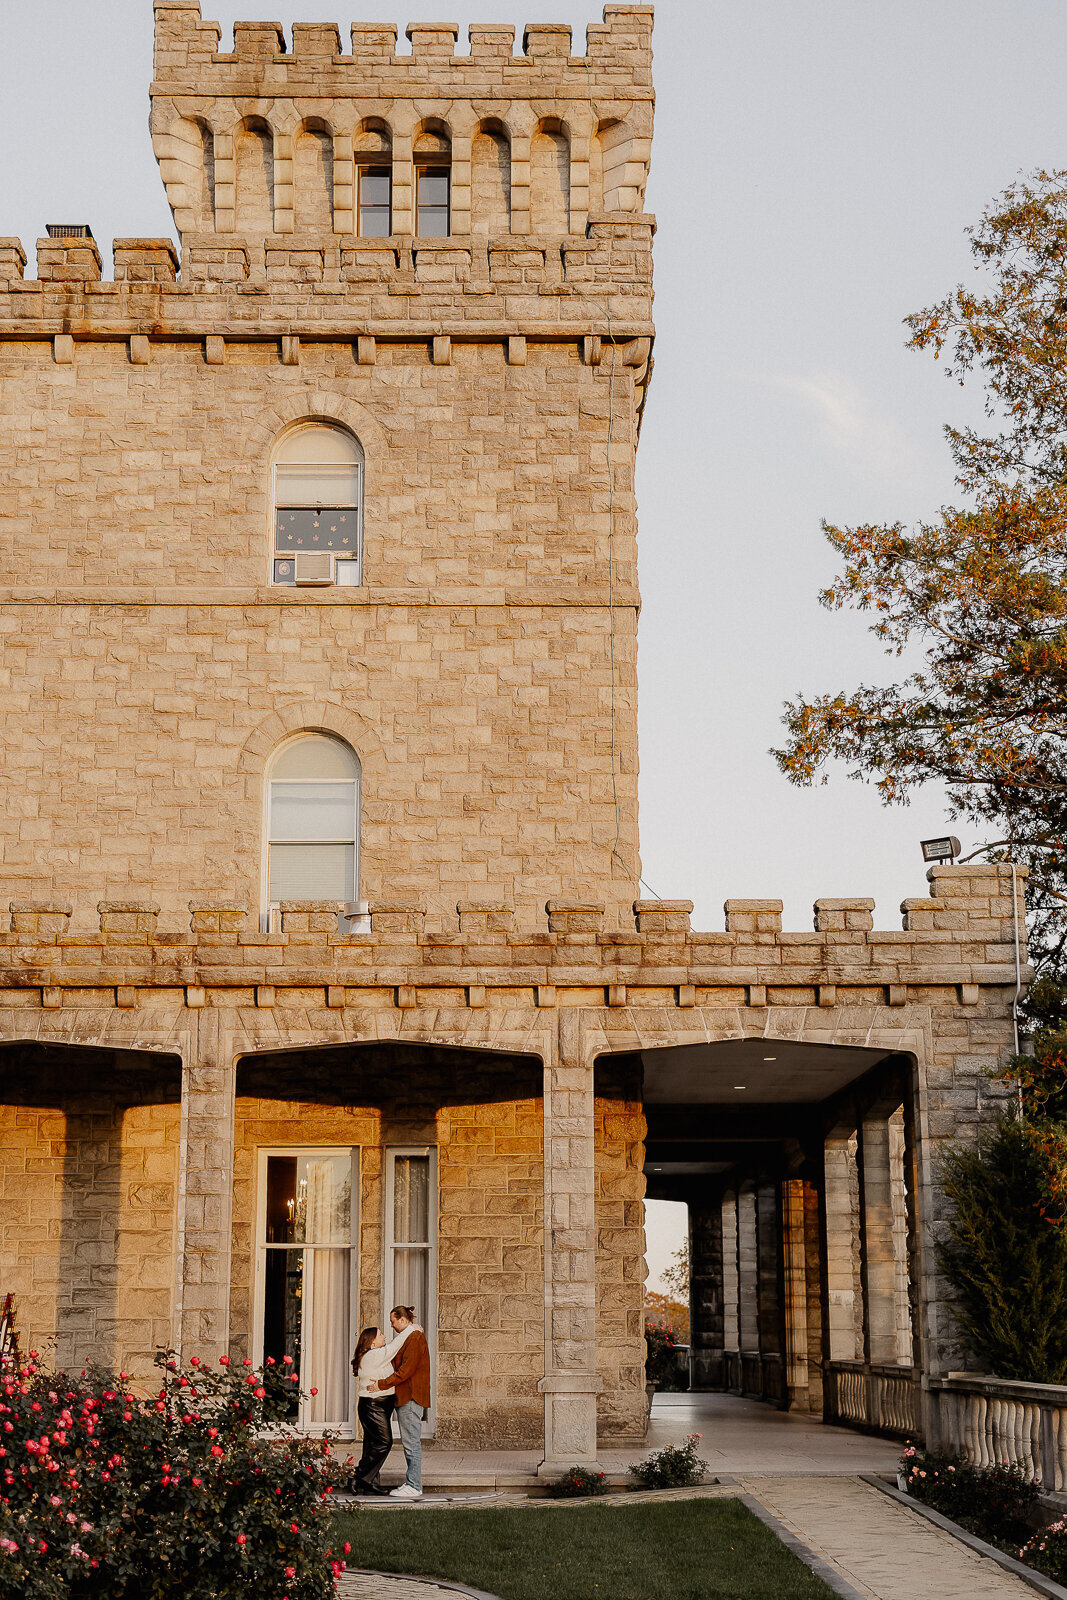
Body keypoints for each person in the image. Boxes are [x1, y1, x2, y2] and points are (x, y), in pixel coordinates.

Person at [375, 1304, 431, 1500]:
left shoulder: (414, 1337)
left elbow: (406, 1370)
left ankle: (414, 1485)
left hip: (411, 1395)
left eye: (393, 1321)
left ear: (402, 1319)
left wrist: (381, 1384)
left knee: (411, 1442)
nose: (391, 1326)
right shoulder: (409, 1336)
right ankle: (411, 1482)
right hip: (407, 1395)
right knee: (410, 1441)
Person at [350, 1326, 397, 1496]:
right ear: (372, 1342)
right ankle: (358, 1475)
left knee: (371, 1445)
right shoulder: (373, 1355)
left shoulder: (377, 1356)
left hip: (380, 1404)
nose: (384, 1336)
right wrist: (412, 1329)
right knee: (385, 1442)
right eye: (381, 1335)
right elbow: (395, 1346)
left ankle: (370, 1482)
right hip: (373, 1405)